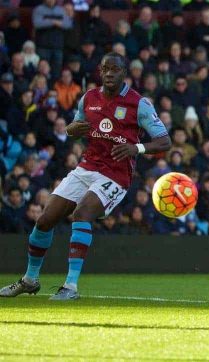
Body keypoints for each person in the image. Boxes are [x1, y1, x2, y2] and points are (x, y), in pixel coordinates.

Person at [0, 53, 172, 301]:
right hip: (86, 167)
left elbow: (164, 141)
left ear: (125, 73)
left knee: (81, 214)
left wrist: (137, 148)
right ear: (100, 72)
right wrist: (71, 130)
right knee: (45, 219)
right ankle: (30, 279)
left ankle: (70, 286)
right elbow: (73, 128)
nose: (110, 74)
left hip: (116, 174)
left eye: (115, 69)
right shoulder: (89, 98)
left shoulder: (139, 103)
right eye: (105, 69)